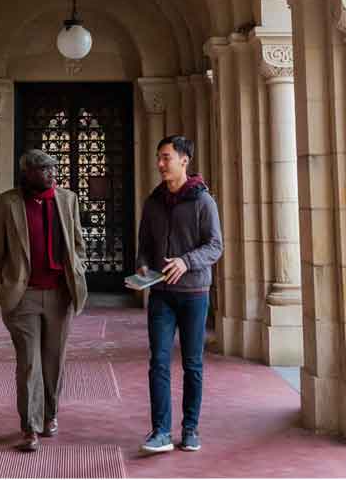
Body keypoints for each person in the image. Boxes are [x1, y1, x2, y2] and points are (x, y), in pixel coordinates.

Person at [0, 149, 90, 452]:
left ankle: (50, 414)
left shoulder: (67, 200)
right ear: (27, 172)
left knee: (54, 360)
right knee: (29, 363)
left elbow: (78, 244)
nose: (51, 173)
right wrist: (1, 285)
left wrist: (77, 270)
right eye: (44, 169)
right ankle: (29, 426)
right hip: (24, 296)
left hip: (59, 295)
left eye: (53, 168)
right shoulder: (6, 203)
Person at [134, 135, 224, 454]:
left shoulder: (203, 202)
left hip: (194, 293)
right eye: (159, 157)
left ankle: (190, 428)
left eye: (166, 157)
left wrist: (186, 262)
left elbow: (215, 246)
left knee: (192, 364)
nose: (160, 164)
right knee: (158, 361)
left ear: (184, 160)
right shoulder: (153, 202)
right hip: (160, 294)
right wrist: (143, 268)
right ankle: (160, 431)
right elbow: (144, 246)